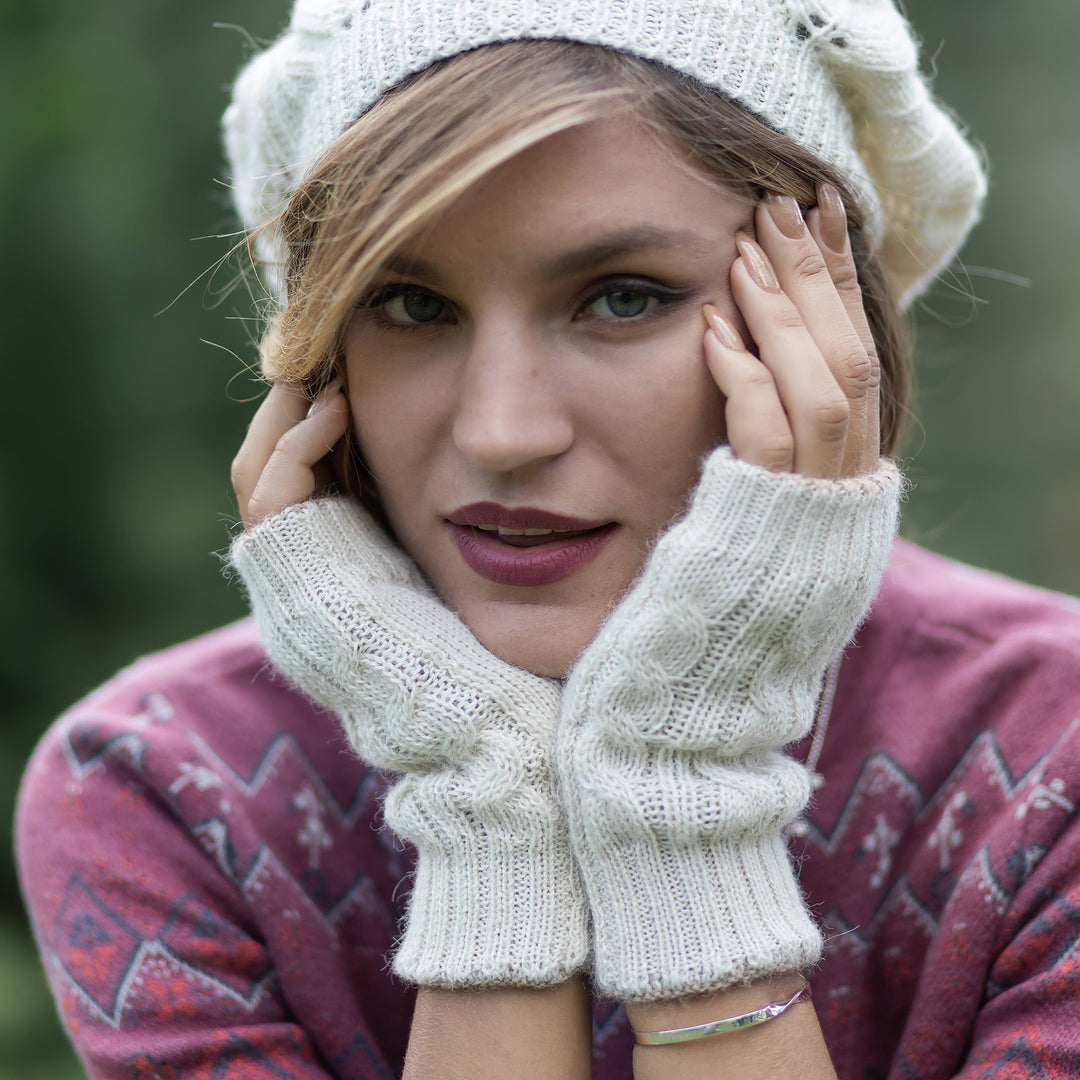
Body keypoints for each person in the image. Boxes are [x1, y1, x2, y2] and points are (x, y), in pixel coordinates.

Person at [15, 0, 1080, 1077]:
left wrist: (682, 780)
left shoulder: (1058, 759)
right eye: (409, 305)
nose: (503, 431)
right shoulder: (165, 791)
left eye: (623, 298)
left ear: (830, 326)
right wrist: (489, 809)